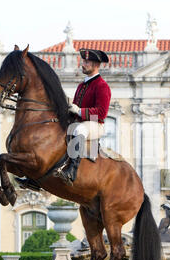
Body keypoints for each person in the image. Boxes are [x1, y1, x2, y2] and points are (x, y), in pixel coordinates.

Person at [15, 48, 111, 190]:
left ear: (96, 65)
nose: (83, 64)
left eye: (86, 62)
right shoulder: (82, 85)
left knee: (78, 129)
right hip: (78, 121)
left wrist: (79, 110)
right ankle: (35, 177)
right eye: (83, 61)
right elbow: (74, 108)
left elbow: (101, 113)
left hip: (95, 124)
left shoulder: (102, 86)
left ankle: (72, 169)